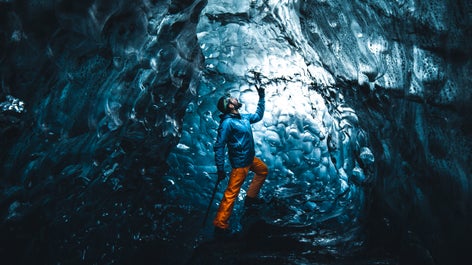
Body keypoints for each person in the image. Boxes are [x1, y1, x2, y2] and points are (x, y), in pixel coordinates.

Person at [213, 82, 268, 236]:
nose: (235, 98)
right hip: (240, 165)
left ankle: (250, 198)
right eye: (232, 99)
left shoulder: (243, 117)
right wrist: (220, 168)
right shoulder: (227, 123)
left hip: (249, 158)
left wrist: (261, 97)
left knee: (263, 171)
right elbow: (219, 145)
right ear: (230, 105)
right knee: (231, 193)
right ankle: (220, 226)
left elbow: (258, 116)